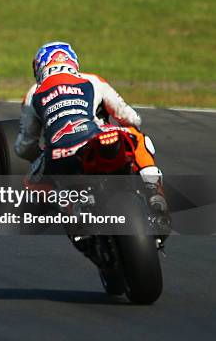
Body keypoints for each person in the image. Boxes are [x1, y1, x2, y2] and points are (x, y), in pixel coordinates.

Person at [15, 41, 170, 234]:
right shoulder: (93, 80)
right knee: (139, 138)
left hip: (59, 154)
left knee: (29, 184)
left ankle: (69, 208)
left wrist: (41, 155)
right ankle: (153, 188)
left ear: (39, 67)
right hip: (94, 142)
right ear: (74, 62)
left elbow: (24, 146)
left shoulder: (32, 93)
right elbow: (130, 117)